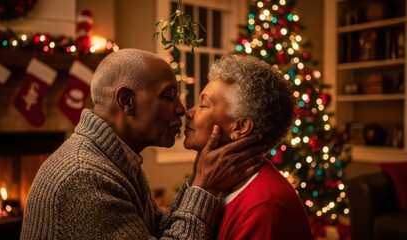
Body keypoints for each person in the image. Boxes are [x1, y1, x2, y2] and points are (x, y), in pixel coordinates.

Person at [20, 49, 264, 239]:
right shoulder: (85, 175)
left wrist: (197, 178)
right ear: (127, 101)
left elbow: (157, 229)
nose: (181, 110)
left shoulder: (117, 160)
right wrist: (204, 188)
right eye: (169, 97)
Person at [183, 54, 314, 240]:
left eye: (203, 105)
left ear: (240, 127)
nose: (189, 112)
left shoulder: (264, 207)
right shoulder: (216, 184)